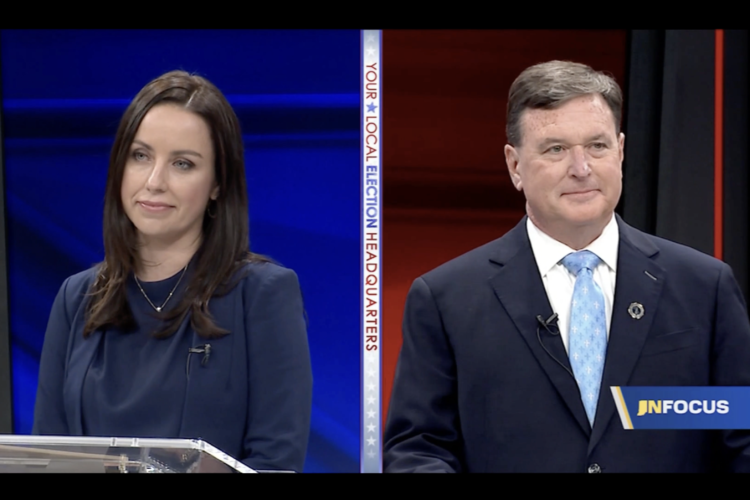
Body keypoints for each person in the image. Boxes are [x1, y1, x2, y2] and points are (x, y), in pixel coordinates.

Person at [383, 60, 750, 473]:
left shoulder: (703, 287)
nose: (581, 168)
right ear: (515, 165)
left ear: (621, 151)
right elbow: (420, 450)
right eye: (556, 149)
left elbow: (739, 436)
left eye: (597, 145)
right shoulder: (446, 299)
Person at [32, 70, 313, 473]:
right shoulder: (75, 298)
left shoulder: (264, 294)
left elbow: (276, 463)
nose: (154, 181)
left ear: (217, 183)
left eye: (183, 164)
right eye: (141, 155)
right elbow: (47, 460)